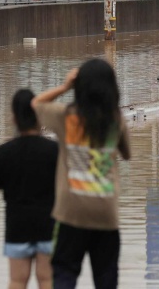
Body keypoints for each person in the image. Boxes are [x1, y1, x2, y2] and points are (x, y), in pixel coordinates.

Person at [31, 59, 131, 289]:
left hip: (71, 213)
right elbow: (126, 154)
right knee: (106, 278)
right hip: (106, 213)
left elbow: (35, 104)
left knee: (64, 273)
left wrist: (64, 87)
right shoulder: (116, 120)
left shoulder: (66, 116)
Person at [0, 89, 59, 289]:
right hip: (48, 224)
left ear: (14, 118)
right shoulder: (53, 150)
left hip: (17, 225)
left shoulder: (4, 152)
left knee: (17, 280)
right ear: (38, 117)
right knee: (46, 279)